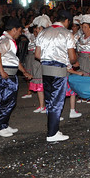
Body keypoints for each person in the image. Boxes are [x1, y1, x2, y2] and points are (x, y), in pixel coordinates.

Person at [35, 10, 77, 142]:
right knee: (57, 102)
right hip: (59, 70)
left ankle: (53, 128)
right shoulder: (66, 33)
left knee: (49, 101)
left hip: (45, 69)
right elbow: (72, 57)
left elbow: (37, 55)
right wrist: (74, 61)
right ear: (67, 21)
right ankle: (52, 133)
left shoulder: (43, 32)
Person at [0, 18, 33, 137]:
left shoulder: (6, 39)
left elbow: (14, 60)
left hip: (9, 73)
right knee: (7, 101)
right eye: (19, 31)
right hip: (7, 75)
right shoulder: (6, 41)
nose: (20, 34)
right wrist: (2, 71)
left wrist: (24, 72)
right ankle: (0, 126)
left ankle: (4, 124)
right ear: (14, 30)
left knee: (9, 101)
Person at [24, 15, 52, 113]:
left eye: (39, 28)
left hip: (44, 63)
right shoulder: (37, 38)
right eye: (36, 28)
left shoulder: (48, 38)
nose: (37, 30)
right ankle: (41, 105)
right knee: (40, 86)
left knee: (45, 85)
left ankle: (48, 106)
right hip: (37, 63)